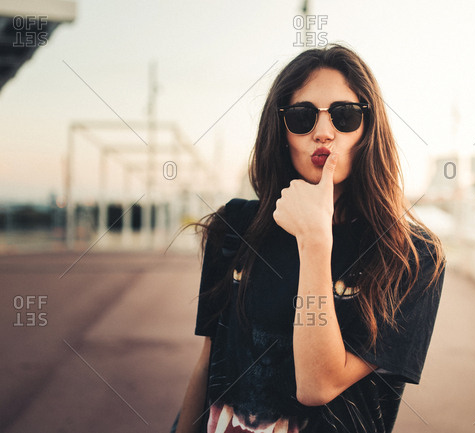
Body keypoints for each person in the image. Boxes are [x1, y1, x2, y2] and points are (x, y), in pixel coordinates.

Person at [175, 43, 446, 433]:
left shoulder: (410, 256)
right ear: (281, 130)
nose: (323, 132)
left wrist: (316, 240)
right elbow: (208, 363)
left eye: (344, 115)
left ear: (369, 129)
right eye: (302, 116)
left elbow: (318, 385)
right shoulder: (234, 226)